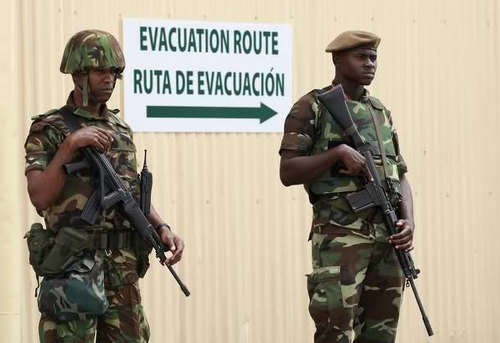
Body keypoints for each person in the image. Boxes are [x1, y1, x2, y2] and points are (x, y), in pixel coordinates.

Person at [24, 29, 184, 343]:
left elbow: (131, 193)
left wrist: (161, 227)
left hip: (123, 269)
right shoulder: (50, 128)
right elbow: (39, 195)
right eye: (101, 71)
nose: (109, 78)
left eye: (114, 72)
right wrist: (70, 146)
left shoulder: (121, 129)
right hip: (73, 268)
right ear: (79, 74)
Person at [279, 30, 414, 343]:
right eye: (361, 57)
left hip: (388, 239)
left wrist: (409, 220)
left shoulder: (380, 112)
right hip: (341, 240)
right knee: (335, 332)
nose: (370, 64)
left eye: (374, 57)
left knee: (381, 334)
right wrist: (336, 153)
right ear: (338, 61)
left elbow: (401, 174)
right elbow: (287, 171)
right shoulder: (311, 107)